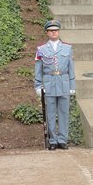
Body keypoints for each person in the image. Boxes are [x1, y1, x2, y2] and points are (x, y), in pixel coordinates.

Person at [34, 20, 76, 150]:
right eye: (51, 30)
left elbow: (71, 68)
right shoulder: (41, 49)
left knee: (64, 113)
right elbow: (38, 69)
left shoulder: (67, 48)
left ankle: (62, 140)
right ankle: (52, 140)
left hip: (63, 82)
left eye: (56, 30)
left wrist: (72, 85)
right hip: (49, 83)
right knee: (50, 113)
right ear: (47, 32)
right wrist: (38, 85)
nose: (54, 32)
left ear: (59, 31)